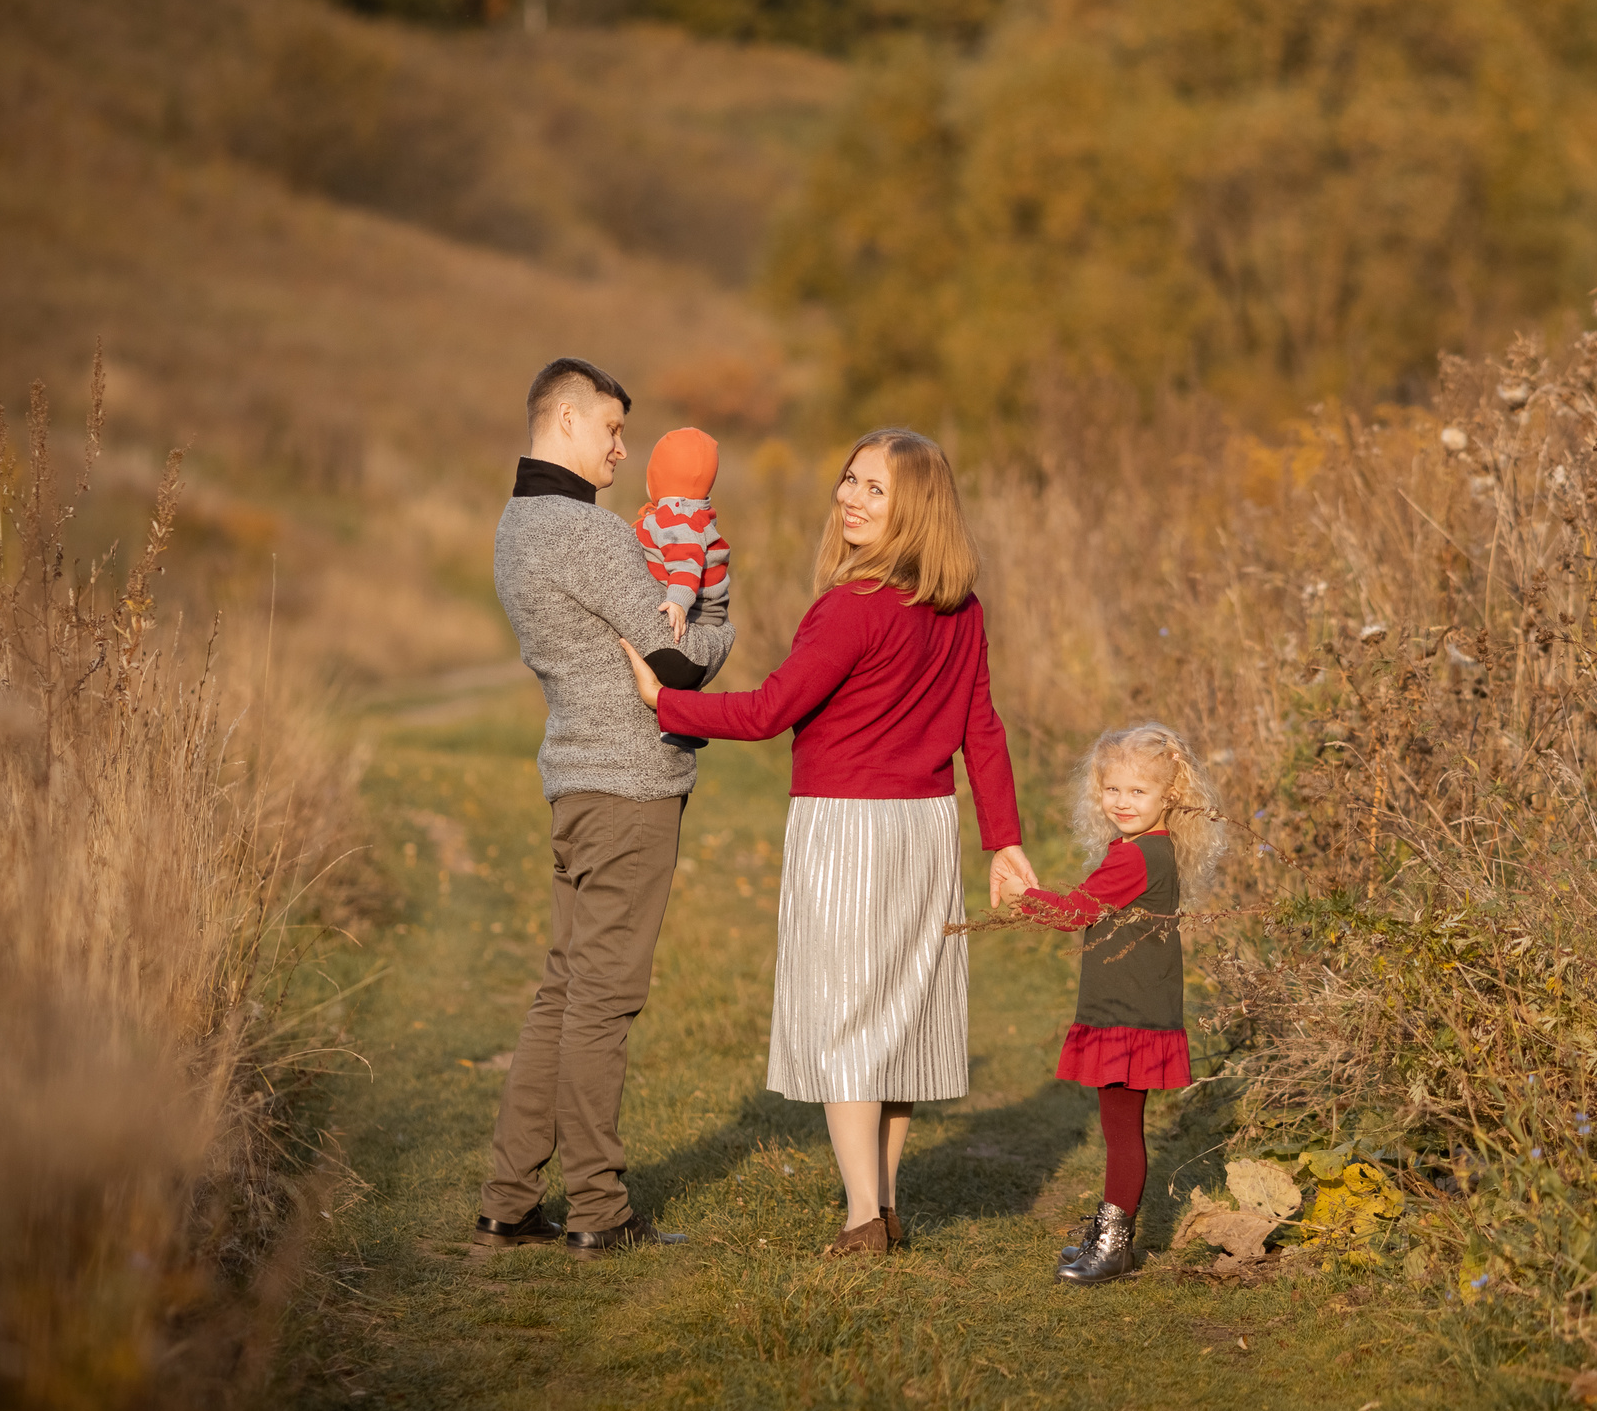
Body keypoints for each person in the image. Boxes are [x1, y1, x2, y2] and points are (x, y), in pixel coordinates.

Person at [621, 428, 1035, 1255]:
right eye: (850, 479)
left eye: (875, 489)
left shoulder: (851, 608)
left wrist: (665, 701)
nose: (850, 497)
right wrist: (1003, 840)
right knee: (901, 1017)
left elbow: (771, 710)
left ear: (915, 508)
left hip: (848, 828)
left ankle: (859, 1219)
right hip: (926, 831)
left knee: (850, 1019)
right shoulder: (961, 609)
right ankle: (880, 1205)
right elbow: (979, 729)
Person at [474, 357, 732, 1259]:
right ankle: (598, 1208)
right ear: (567, 421)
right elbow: (682, 663)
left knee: (563, 989)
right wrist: (722, 611)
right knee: (602, 1001)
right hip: (629, 786)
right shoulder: (589, 534)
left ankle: (509, 1199)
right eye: (614, 430)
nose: (625, 449)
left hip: (576, 779)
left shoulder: (516, 524)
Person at [1001, 724, 1225, 1284]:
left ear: (1168, 797)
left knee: (1122, 1131)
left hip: (1130, 1015)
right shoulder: (1147, 848)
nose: (1123, 802)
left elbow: (1074, 912)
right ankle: (1107, 1234)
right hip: (1129, 1007)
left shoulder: (1137, 857)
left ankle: (1115, 1244)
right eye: (1113, 789)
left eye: (1139, 792)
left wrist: (1019, 897)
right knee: (1118, 1126)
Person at [636, 426, 732, 620]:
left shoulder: (677, 518)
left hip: (691, 612)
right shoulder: (693, 515)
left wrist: (678, 602)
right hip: (704, 611)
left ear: (658, 476)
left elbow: (686, 562)